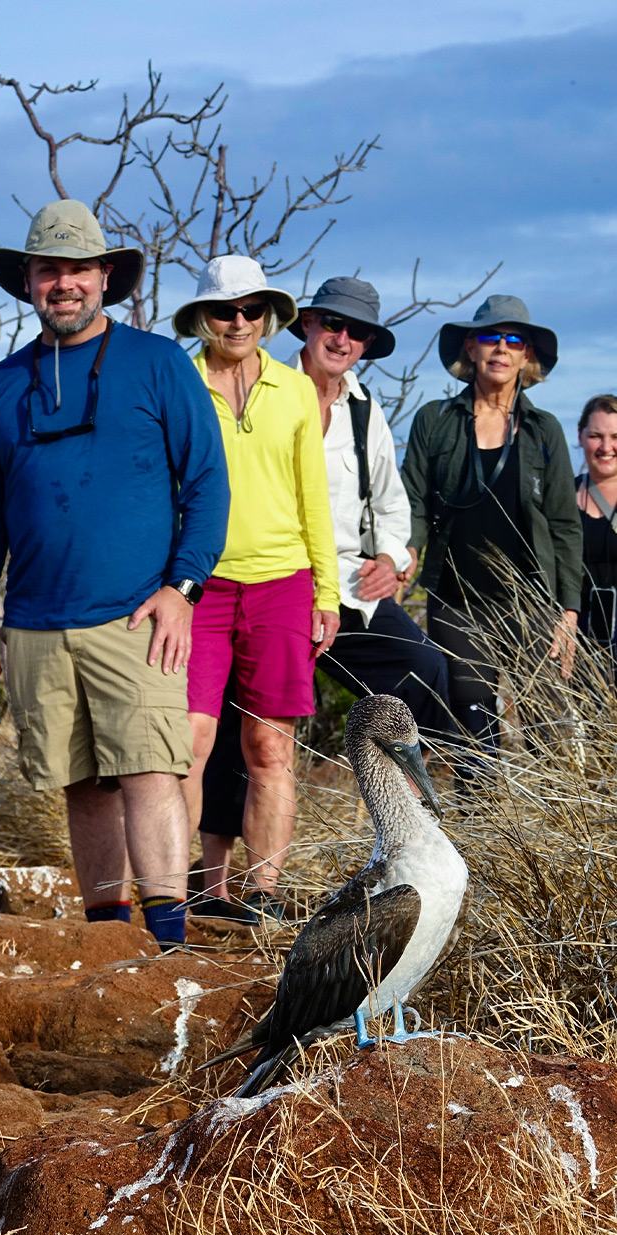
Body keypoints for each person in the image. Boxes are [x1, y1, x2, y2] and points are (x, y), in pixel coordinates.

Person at [0, 200, 229, 949]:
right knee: (81, 785)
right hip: (38, 623)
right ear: (29, 281)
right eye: (50, 269)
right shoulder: (1, 387)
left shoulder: (160, 363)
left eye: (79, 268)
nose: (64, 284)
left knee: (150, 772)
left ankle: (169, 941)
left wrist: (183, 589)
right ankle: (110, 942)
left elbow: (207, 483)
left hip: (138, 617)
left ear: (105, 276)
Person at [195, 277, 454, 906]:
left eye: (357, 332)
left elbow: (393, 506)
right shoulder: (259, 389)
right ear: (305, 325)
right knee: (239, 728)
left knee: (421, 669)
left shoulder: (368, 412)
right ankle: (213, 887)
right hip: (264, 579)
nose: (342, 339)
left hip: (347, 589)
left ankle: (415, 834)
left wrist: (394, 558)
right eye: (332, 325)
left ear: (366, 344)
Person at [172, 256, 339, 921]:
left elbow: (313, 498)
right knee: (185, 745)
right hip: (197, 586)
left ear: (269, 317)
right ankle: (171, 888)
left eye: (251, 310)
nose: (238, 322)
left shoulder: (297, 389)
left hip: (283, 585)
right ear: (203, 318)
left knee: (270, 748)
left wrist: (326, 593)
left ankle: (264, 893)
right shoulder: (177, 381)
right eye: (223, 310)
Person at [400, 294, 581, 783]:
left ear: (527, 356)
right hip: (458, 600)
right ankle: (481, 835)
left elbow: (565, 523)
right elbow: (413, 501)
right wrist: (406, 554)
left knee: (545, 721)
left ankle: (554, 835)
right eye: (490, 337)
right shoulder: (434, 421)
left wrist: (567, 609)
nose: (501, 347)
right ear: (470, 348)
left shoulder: (545, 431)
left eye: (514, 339)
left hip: (532, 599)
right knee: (471, 724)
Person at [574, 394, 617, 666]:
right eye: (596, 436)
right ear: (580, 436)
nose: (606, 447)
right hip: (575, 644)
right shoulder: (561, 499)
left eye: (615, 436)